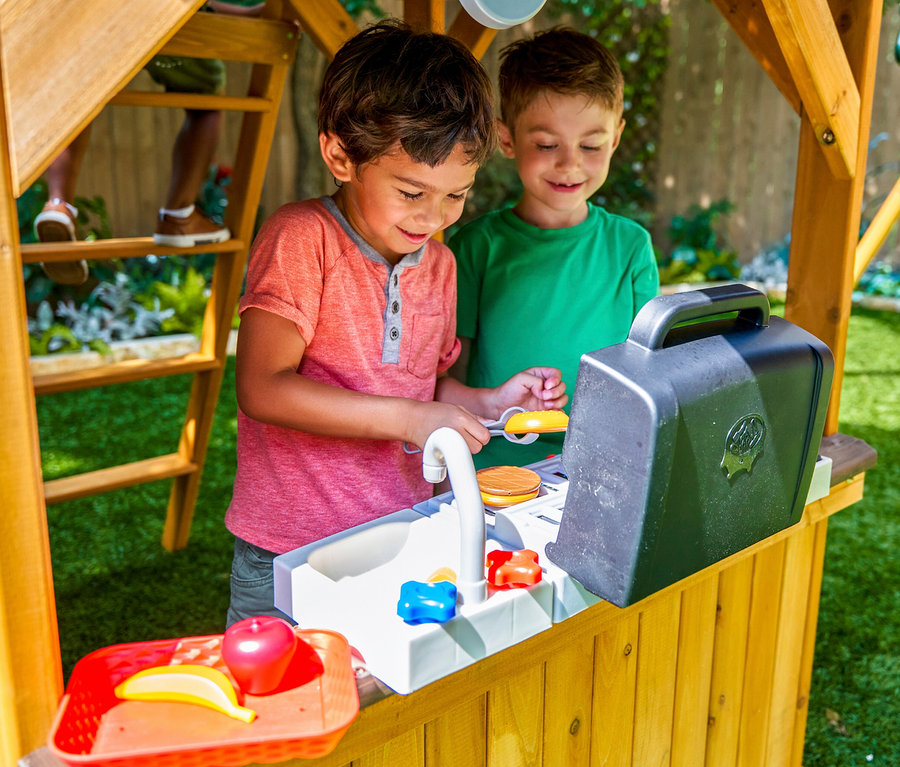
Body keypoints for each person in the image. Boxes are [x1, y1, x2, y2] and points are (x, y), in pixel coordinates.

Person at [224, 21, 568, 626]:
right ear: (341, 156)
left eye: (456, 196)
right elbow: (262, 387)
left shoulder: (440, 265)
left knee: (391, 703)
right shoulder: (303, 239)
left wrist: (491, 399)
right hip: (291, 549)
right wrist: (411, 418)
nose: (435, 217)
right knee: (287, 705)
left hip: (404, 532)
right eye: (411, 192)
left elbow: (423, 390)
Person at [448, 27, 660, 469]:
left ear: (616, 138)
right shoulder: (474, 248)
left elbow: (651, 375)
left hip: (603, 469)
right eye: (547, 145)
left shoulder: (631, 248)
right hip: (494, 476)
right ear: (506, 139)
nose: (570, 164)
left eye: (591, 145)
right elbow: (449, 380)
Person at [35, 51, 232, 284]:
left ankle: (59, 204)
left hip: (86, 29)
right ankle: (179, 216)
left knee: (77, 78)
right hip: (161, 26)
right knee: (209, 91)